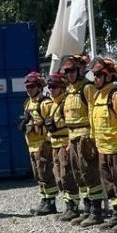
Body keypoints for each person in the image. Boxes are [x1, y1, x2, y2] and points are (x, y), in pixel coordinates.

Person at [62, 54, 106, 225]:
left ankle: (96, 211)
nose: (69, 74)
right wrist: (67, 142)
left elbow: (93, 113)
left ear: (80, 70)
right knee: (79, 175)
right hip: (72, 138)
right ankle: (87, 208)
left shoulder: (87, 88)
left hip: (85, 137)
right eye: (67, 71)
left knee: (90, 174)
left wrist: (92, 138)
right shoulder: (69, 90)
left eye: (72, 70)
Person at [88, 57, 117, 230]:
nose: (96, 78)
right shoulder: (98, 96)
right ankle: (116, 213)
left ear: (108, 76)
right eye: (94, 76)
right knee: (109, 183)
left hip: (115, 148)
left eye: (99, 75)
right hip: (102, 148)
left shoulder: (116, 96)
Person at [20, 71, 58, 215]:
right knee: (38, 174)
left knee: (46, 173)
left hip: (43, 144)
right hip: (31, 145)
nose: (29, 89)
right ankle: (44, 200)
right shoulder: (28, 103)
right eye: (27, 87)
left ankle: (51, 203)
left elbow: (52, 125)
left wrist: (47, 143)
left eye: (32, 86)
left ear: (39, 87)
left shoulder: (46, 104)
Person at [45, 72, 79, 220]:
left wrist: (69, 143)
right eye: (49, 87)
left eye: (54, 87)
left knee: (67, 176)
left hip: (64, 143)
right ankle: (67, 206)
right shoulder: (53, 104)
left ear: (61, 87)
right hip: (55, 144)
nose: (51, 90)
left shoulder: (64, 103)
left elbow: (71, 125)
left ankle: (74, 207)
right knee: (59, 177)